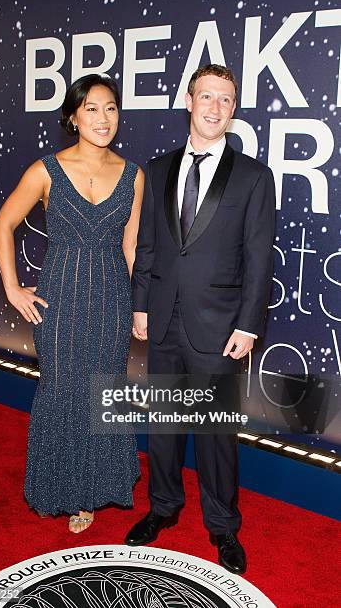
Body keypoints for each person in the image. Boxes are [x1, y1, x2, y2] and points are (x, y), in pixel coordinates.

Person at [126, 64, 275, 574]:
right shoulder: (158, 168)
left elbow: (259, 258)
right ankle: (162, 508)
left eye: (226, 100)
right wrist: (140, 304)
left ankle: (222, 527)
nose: (215, 108)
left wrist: (249, 323)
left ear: (233, 110)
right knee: (165, 428)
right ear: (188, 101)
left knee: (216, 438)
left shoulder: (254, 176)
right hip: (163, 321)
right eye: (206, 96)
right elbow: (147, 245)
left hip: (221, 328)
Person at [0, 74, 143, 533]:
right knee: (62, 393)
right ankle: (59, 487)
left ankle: (91, 494)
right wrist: (13, 289)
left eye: (111, 108)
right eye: (92, 108)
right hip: (59, 300)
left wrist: (137, 307)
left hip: (111, 302)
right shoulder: (45, 170)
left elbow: (132, 247)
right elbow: (3, 225)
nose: (103, 118)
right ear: (74, 116)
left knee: (101, 394)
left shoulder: (133, 175)